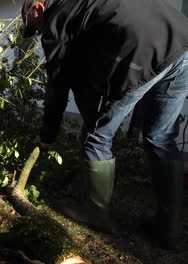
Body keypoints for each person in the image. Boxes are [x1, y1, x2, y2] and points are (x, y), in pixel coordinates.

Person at [21, 0, 188, 249]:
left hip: (144, 49)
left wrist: (48, 133)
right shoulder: (83, 6)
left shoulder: (56, 20)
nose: (38, 33)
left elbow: (58, 84)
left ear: (39, 7)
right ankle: (169, 228)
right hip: (183, 43)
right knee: (161, 135)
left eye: (34, 26)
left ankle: (97, 213)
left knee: (96, 136)